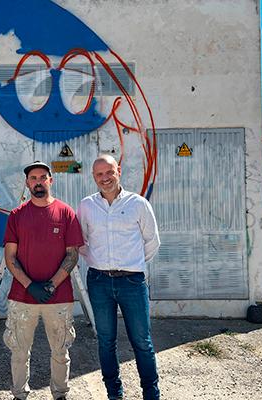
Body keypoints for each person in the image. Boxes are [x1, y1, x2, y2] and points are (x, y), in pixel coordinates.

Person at [77, 154, 161, 400]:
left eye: (109, 172)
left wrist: (131, 263)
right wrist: (98, 261)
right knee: (106, 340)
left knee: (142, 341)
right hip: (99, 282)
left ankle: (151, 394)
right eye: (99, 174)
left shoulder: (138, 204)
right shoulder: (86, 206)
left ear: (119, 171)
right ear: (94, 177)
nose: (105, 178)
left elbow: (152, 241)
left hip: (132, 282)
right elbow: (81, 242)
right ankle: (114, 393)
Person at [2, 161, 84, 400]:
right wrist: (30, 285)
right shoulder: (17, 215)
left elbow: (72, 255)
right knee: (19, 351)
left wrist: (51, 285)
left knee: (60, 351)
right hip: (22, 297)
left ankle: (60, 394)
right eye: (33, 178)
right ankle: (19, 394)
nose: (38, 182)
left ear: (51, 180)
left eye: (42, 177)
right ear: (27, 183)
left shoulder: (66, 213)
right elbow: (10, 256)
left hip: (58, 297)